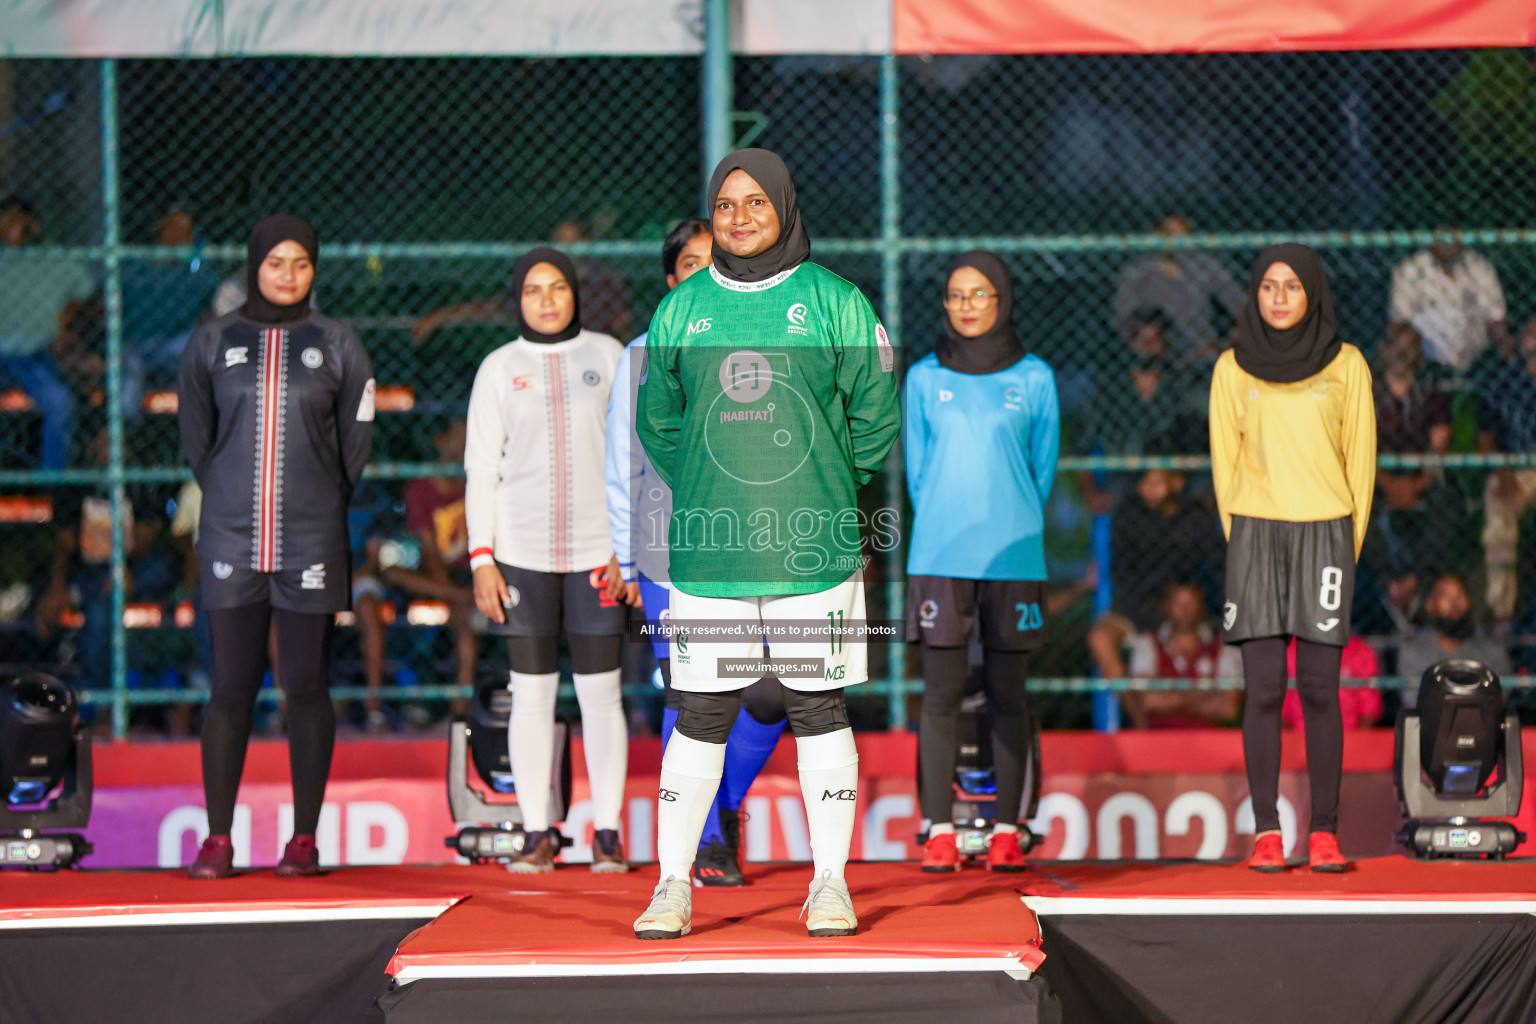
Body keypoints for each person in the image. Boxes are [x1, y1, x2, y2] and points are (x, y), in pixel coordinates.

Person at [632, 149, 900, 939]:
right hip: (711, 555)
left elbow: (876, 414)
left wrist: (817, 484)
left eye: (755, 203)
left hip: (813, 548)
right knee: (700, 712)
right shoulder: (681, 309)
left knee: (819, 706)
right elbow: (660, 422)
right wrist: (723, 486)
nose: (740, 217)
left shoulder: (837, 301)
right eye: (725, 205)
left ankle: (829, 887)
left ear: (785, 206)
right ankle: (672, 886)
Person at [178, 214, 375, 879]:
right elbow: (197, 445)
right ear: (253, 266)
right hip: (231, 536)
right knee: (230, 687)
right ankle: (217, 838)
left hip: (313, 538)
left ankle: (304, 839)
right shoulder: (212, 342)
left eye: (301, 263)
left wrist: (315, 500)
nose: (288, 275)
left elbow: (354, 449)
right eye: (275, 263)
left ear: (315, 270)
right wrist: (237, 497)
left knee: (306, 685)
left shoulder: (338, 342)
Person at [605, 217, 787, 887]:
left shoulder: (762, 344)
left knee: (769, 692)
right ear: (670, 278)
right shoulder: (642, 355)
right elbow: (622, 464)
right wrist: (627, 562)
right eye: (689, 264)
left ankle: (725, 806)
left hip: (749, 547)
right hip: (665, 550)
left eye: (715, 262)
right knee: (691, 696)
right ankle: (706, 841)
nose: (703, 273)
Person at [1210, 244, 1375, 874]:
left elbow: (1360, 467)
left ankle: (1325, 833)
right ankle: (1267, 832)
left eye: (1292, 287)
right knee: (1262, 690)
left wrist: (1342, 547)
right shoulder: (1232, 368)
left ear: (1313, 294)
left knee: (1319, 689)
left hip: (1326, 535)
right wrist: (1247, 537)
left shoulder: (1348, 366)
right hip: (1255, 535)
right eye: (1268, 286)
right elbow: (1225, 467)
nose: (1279, 297)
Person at [464, 247, 630, 873]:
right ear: (518, 299)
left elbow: (633, 456)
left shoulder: (609, 356)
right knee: (531, 696)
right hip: (522, 556)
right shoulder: (499, 368)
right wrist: (483, 558)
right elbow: (481, 468)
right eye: (533, 290)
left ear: (575, 294)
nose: (546, 300)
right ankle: (537, 832)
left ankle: (608, 833)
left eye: (557, 287)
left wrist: (628, 551)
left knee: (601, 695)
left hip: (597, 555)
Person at [903, 250, 1059, 872]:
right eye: (955, 295)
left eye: (978, 294)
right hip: (940, 555)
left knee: (1008, 696)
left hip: (1015, 556)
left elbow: (1040, 471)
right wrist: (950, 523)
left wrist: (1010, 523)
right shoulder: (921, 378)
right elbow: (918, 474)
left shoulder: (1036, 378)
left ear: (1002, 300)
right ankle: (938, 829)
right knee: (939, 697)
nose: (965, 306)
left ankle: (1005, 829)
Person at [1085, 468, 1224, 680]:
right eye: (1143, 483)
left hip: (1186, 609)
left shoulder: (1196, 516)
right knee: (1100, 638)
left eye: (1155, 483)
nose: (1146, 490)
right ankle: (1143, 712)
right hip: (1138, 609)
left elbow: (1219, 568)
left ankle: (1190, 708)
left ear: (1176, 482)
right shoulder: (1129, 514)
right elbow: (1123, 575)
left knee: (1194, 614)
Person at [413, 220, 635, 344]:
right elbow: (493, 309)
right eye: (559, 241)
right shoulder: (540, 282)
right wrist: (438, 317)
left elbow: (625, 327)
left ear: (587, 242)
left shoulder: (605, 279)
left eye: (572, 240)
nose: (565, 247)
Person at [1075, 309, 1206, 516]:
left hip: (1174, 476)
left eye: (1154, 339)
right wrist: (1089, 492)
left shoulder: (1183, 382)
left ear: (1165, 345)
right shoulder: (1108, 388)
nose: (1146, 347)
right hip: (1124, 475)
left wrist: (1177, 474)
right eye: (1140, 339)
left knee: (1198, 493)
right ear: (1128, 342)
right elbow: (1082, 445)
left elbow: (1204, 435)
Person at [0, 194, 96, 469]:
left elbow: (90, 297)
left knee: (60, 403)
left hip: (33, 355)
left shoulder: (54, 259)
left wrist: (68, 325)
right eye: (4, 221)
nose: (10, 228)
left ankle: (53, 482)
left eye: (16, 221)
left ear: (33, 224)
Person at [1371, 324, 1460, 586]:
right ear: (1384, 351)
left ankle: (1419, 582)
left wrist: (1417, 484)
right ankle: (1389, 585)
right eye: (1397, 347)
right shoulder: (1365, 392)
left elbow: (1439, 446)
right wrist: (1389, 485)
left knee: (1448, 503)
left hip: (1422, 478)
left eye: (1409, 349)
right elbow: (1357, 449)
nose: (1402, 354)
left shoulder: (1432, 393)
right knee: (1352, 511)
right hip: (1376, 477)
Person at [1113, 215, 1247, 363]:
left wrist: (1229, 341)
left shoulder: (1203, 265)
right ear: (1156, 235)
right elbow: (1122, 318)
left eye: (1183, 235)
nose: (1177, 241)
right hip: (1155, 354)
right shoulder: (1138, 272)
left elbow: (1240, 303)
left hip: (1200, 350)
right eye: (1169, 233)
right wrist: (1141, 338)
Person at [1475, 317, 1536, 625]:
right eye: (1531, 333)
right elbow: (1486, 439)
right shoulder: (1504, 382)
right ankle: (1502, 612)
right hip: (1515, 470)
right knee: (1498, 513)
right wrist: (1503, 472)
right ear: (1522, 341)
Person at [1121, 582, 1242, 730]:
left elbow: (1229, 709)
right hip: (1158, 740)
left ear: (1201, 606)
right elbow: (1146, 701)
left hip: (1209, 743)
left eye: (1191, 602)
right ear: (1166, 606)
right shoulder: (1148, 644)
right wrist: (1202, 694)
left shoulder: (1223, 649)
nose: (1185, 609)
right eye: (1178, 603)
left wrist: (1171, 698)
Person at [1389, 235, 1509, 375]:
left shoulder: (1479, 267)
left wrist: (1506, 356)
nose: (1448, 244)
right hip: (1424, 364)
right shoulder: (1411, 269)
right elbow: (1398, 323)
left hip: (1476, 361)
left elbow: (1496, 320)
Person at [1395, 573, 1511, 708]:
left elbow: (1498, 697)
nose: (1455, 603)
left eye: (1459, 595)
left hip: (1480, 724)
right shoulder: (1415, 651)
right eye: (1446, 596)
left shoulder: (1491, 650)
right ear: (1430, 604)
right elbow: (1413, 700)